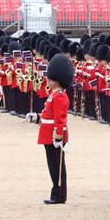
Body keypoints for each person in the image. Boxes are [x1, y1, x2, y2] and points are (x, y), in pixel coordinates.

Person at [30, 52, 73, 205]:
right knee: (53, 166)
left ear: (57, 80)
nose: (47, 79)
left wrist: (58, 137)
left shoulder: (60, 96)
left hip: (55, 137)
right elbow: (48, 116)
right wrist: (36, 117)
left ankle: (59, 195)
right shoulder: (53, 95)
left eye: (50, 78)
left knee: (57, 168)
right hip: (48, 135)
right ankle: (57, 193)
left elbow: (60, 120)